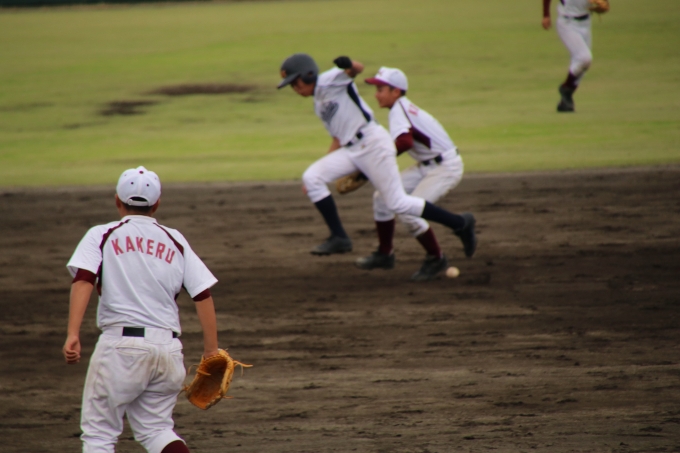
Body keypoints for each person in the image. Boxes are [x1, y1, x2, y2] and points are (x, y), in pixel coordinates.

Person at [62, 166, 221, 453]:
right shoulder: (175, 239)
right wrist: (211, 351)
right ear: (156, 204)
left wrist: (73, 333)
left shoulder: (102, 233)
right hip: (169, 352)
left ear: (117, 200)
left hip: (121, 349)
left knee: (99, 435)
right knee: (157, 430)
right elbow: (203, 294)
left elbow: (84, 279)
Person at [277, 53, 477, 264]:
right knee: (312, 177)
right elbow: (337, 138)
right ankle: (340, 238)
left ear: (308, 75)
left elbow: (357, 69)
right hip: (352, 150)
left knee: (397, 203)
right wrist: (324, 171)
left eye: (296, 82)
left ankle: (459, 223)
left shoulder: (329, 79)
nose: (295, 88)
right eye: (291, 85)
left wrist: (348, 64)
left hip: (372, 143)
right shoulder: (318, 104)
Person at [361, 67, 465, 281]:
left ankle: (437, 257)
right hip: (428, 165)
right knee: (382, 198)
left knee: (408, 210)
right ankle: (385, 254)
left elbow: (404, 142)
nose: (376, 94)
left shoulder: (399, 109)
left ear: (395, 92)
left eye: (380, 89)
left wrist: (378, 162)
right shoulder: (401, 107)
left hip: (445, 167)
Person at [542, 0, 600, 112]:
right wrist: (546, 15)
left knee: (582, 66)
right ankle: (566, 88)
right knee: (584, 58)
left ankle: (565, 102)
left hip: (586, 22)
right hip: (567, 23)